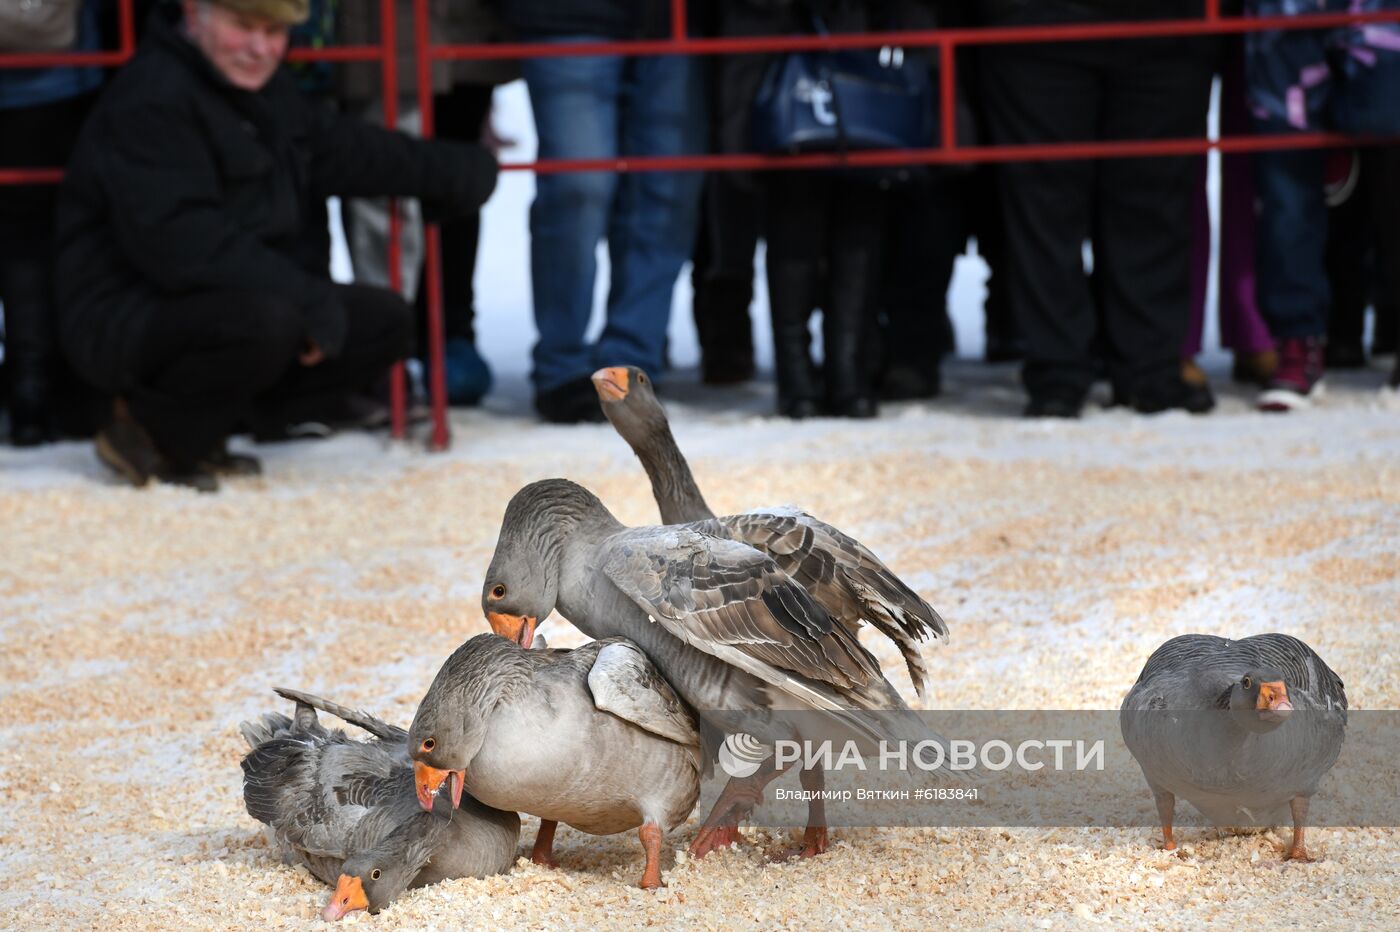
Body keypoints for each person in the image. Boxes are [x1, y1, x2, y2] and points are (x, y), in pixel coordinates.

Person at [54, 0, 498, 491]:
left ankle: (217, 425)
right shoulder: (152, 99)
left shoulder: (267, 91)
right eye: (243, 27)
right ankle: (146, 432)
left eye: (274, 32)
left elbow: (346, 149)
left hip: (221, 301)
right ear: (194, 14)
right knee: (271, 321)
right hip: (124, 314)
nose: (260, 48)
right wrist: (308, 300)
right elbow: (183, 245)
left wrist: (458, 170)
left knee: (383, 322)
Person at [979, 0, 1217, 418]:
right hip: (1036, 24)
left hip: (1165, 27)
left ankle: (1149, 367)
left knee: (1155, 200)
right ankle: (1056, 370)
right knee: (1043, 204)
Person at [497, 0, 705, 423]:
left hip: (682, 20)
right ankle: (562, 364)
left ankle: (631, 363)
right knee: (578, 185)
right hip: (568, 15)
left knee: (666, 192)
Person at [338, 0, 519, 407]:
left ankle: (451, 333)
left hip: (464, 27)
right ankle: (385, 344)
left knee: (455, 172)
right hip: (377, 27)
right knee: (381, 176)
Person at [1245, 0, 1400, 410]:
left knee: (1393, 163)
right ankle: (1297, 341)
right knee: (1285, 179)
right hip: (1283, 15)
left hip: (1381, 14)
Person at [0, 0, 105, 445]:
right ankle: (56, 390)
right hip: (65, 79)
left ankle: (31, 392)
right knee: (69, 232)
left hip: (30, 90)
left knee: (24, 238)